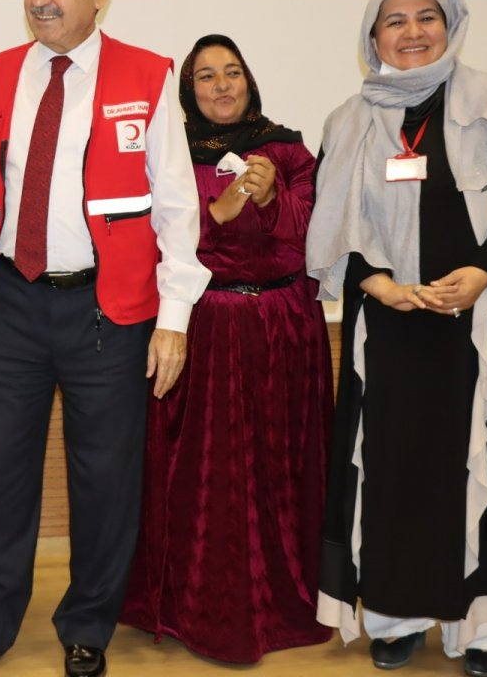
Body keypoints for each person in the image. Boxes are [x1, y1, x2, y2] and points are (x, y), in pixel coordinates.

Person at [0, 0, 210, 677]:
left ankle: (87, 626)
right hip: (11, 304)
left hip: (108, 311)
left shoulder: (146, 76)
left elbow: (178, 208)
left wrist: (174, 320)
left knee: (105, 479)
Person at [305, 0, 487, 677]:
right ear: (372, 37)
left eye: (426, 18)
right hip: (390, 333)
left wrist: (484, 270)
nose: (412, 32)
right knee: (392, 474)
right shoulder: (348, 121)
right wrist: (376, 283)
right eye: (395, 21)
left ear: (451, 26)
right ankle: (396, 615)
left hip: (478, 323)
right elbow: (332, 224)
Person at [120, 34, 334, 662]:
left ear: (249, 81)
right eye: (206, 75)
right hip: (206, 327)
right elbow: (167, 243)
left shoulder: (288, 150)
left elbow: (316, 236)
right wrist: (226, 205)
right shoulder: (170, 155)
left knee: (282, 470)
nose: (221, 85)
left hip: (284, 328)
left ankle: (289, 602)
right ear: (188, 91)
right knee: (209, 479)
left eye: (232, 72)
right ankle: (200, 608)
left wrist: (273, 198)